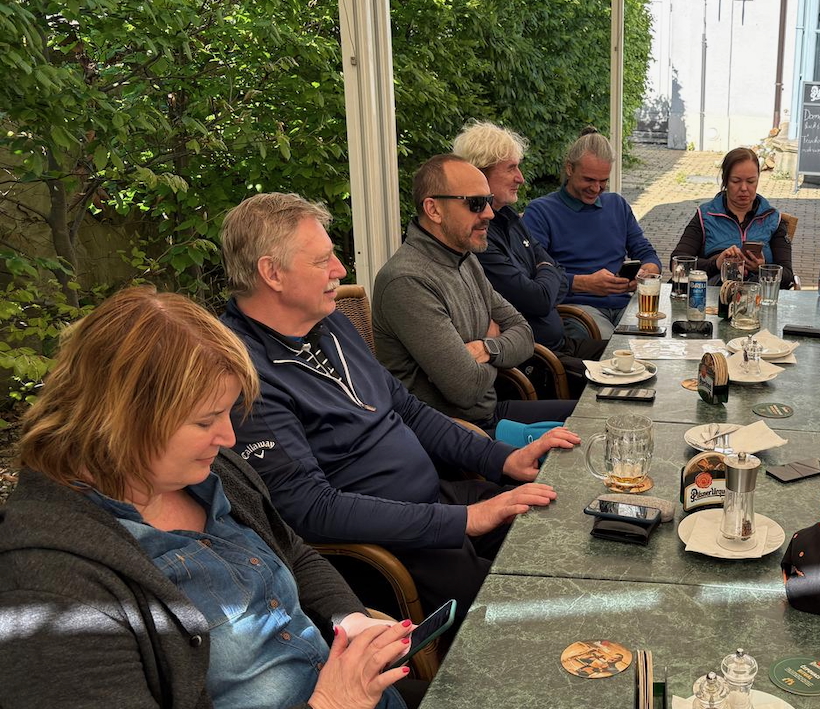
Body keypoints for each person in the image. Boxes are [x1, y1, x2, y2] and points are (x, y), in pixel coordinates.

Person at [0, 287, 422, 709]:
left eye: (228, 413)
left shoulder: (205, 473)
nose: (227, 436)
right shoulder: (50, 580)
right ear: (119, 418)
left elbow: (293, 552)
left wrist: (349, 620)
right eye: (205, 421)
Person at [219, 192, 578, 621]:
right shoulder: (242, 374)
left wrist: (502, 459)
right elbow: (311, 509)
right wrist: (462, 521)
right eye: (322, 260)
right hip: (391, 551)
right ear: (272, 273)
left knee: (569, 535)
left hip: (442, 500)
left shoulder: (329, 322)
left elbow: (407, 409)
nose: (340, 270)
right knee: (546, 610)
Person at [372, 154, 575, 432]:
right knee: (587, 438)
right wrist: (496, 344)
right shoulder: (407, 280)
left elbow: (524, 334)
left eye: (488, 201)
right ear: (433, 209)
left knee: (594, 415)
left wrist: (486, 348)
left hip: (489, 415)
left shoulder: (465, 258)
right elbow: (465, 388)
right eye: (476, 203)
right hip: (455, 435)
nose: (489, 213)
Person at [453, 120, 609, 397]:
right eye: (511, 168)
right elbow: (538, 299)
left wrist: (545, 272)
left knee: (637, 354)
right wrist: (546, 273)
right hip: (539, 362)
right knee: (622, 384)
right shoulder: (478, 237)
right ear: (480, 173)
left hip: (561, 346)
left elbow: (557, 274)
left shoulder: (509, 218)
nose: (521, 178)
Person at [521, 129, 662, 338]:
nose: (596, 188)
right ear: (569, 168)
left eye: (603, 181)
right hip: (577, 311)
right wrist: (583, 283)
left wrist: (647, 272)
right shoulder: (541, 211)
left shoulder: (617, 205)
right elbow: (531, 275)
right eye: (588, 179)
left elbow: (646, 252)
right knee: (615, 347)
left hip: (626, 306)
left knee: (659, 339)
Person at [669, 146, 795, 288]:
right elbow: (677, 263)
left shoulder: (773, 218)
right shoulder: (705, 215)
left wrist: (762, 268)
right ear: (725, 181)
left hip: (758, 296)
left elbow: (788, 275)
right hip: (713, 296)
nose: (744, 188)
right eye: (736, 181)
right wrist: (716, 263)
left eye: (751, 181)